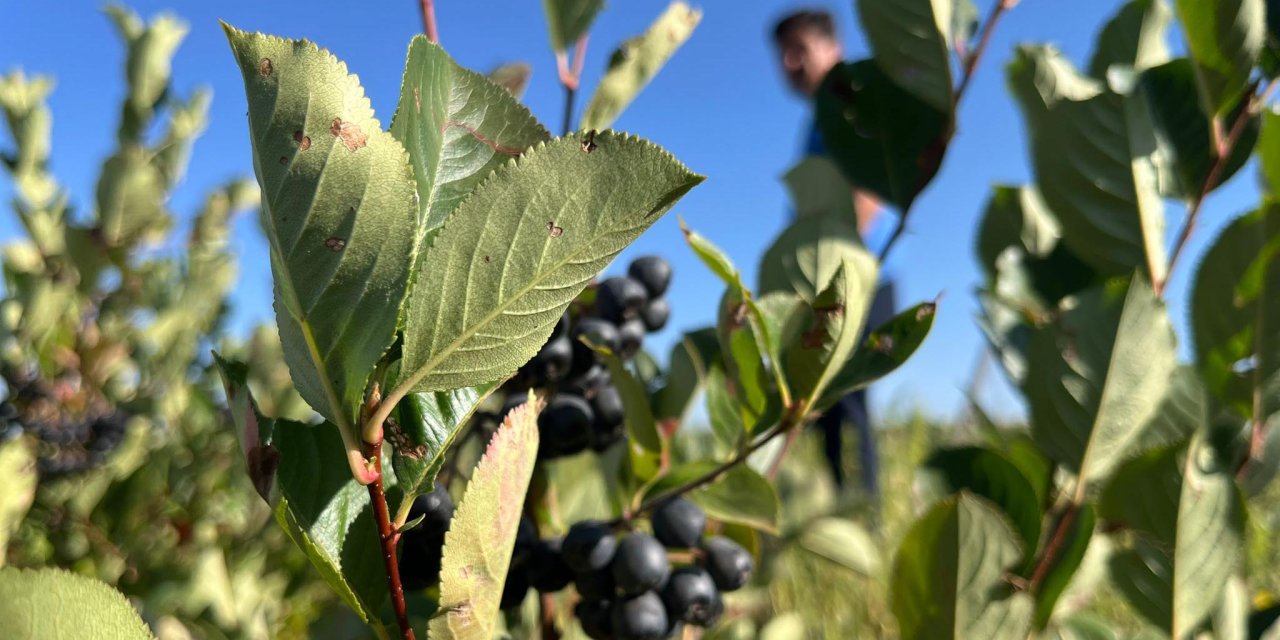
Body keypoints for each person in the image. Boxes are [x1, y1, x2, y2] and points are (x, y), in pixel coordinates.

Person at [772, 9, 897, 504]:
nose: (788, 63)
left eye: (799, 48)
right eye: (782, 56)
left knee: (851, 407)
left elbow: (868, 186)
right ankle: (842, 513)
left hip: (857, 280)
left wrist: (835, 270)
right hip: (830, 284)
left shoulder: (851, 97)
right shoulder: (819, 116)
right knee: (826, 411)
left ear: (832, 48)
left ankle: (862, 515)